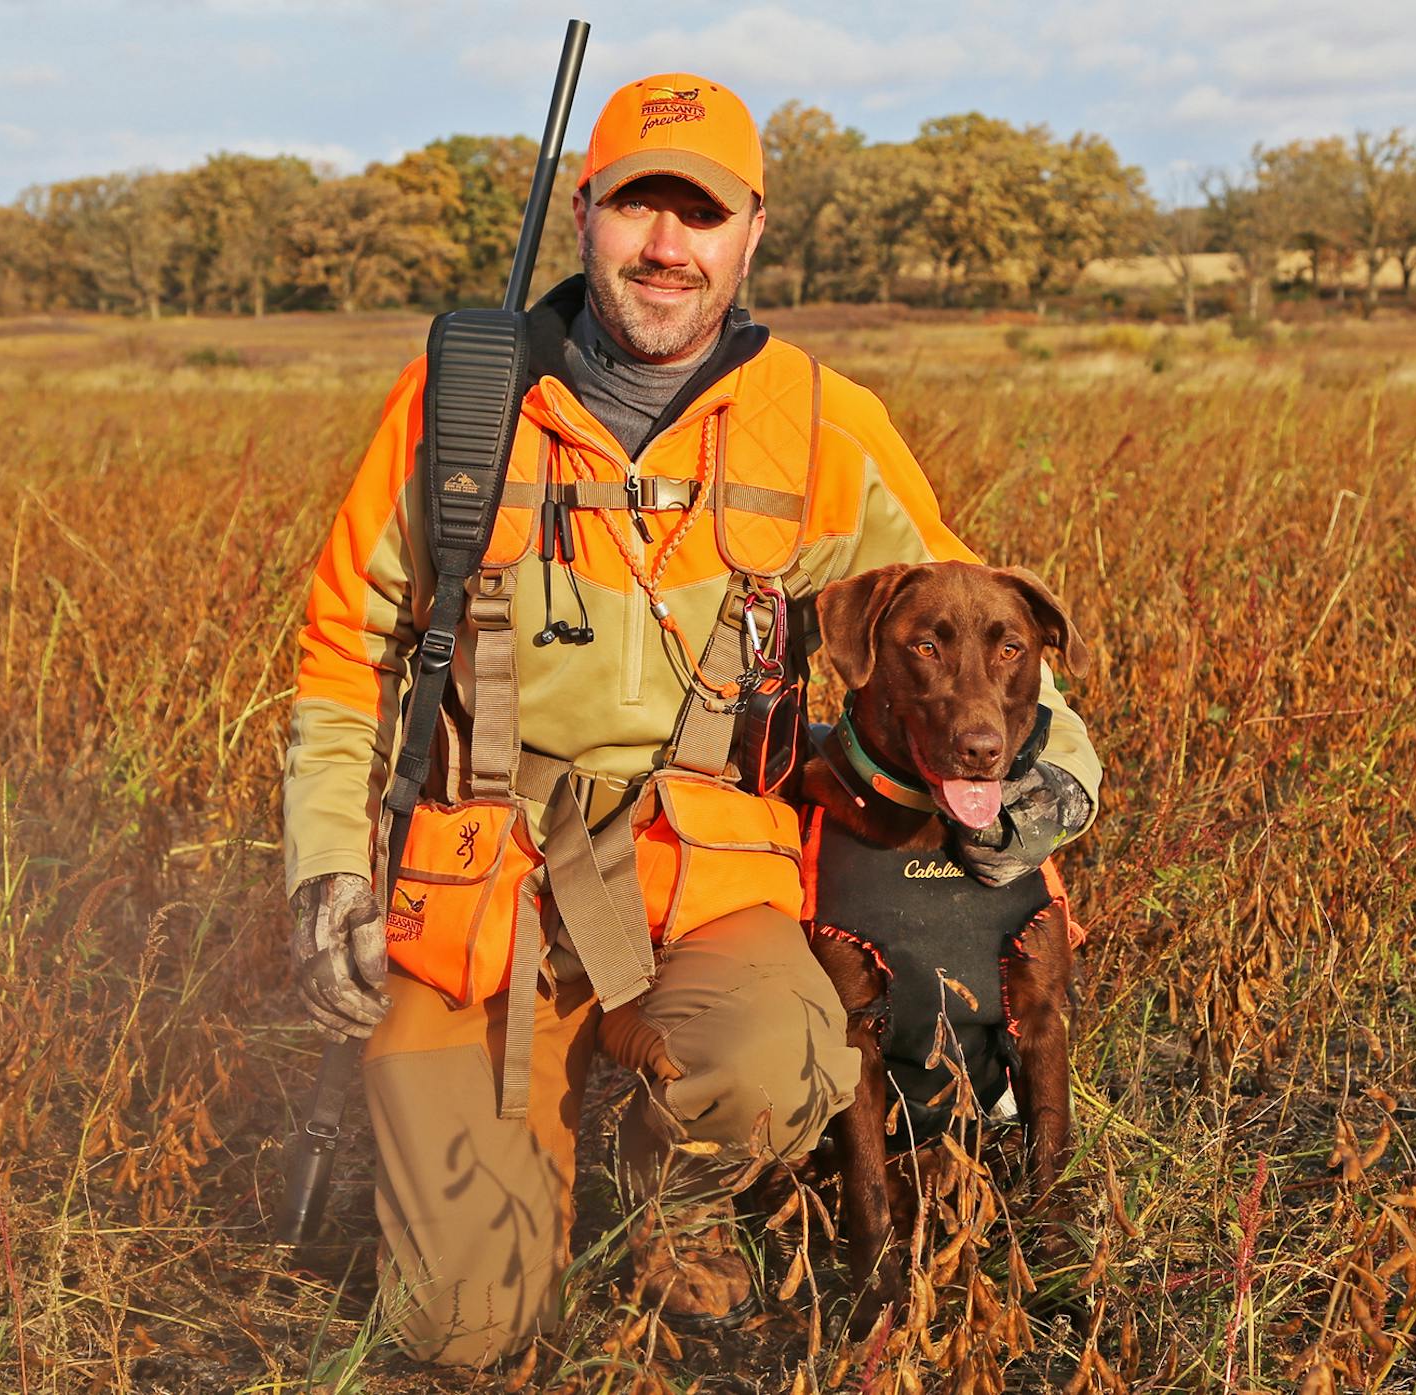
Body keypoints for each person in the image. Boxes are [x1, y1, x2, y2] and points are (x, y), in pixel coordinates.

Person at [282, 71, 1101, 1368]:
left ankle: (677, 1205)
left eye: (701, 214)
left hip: (703, 883)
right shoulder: (460, 408)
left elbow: (977, 627)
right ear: (586, 212)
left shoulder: (826, 424)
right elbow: (343, 653)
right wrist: (329, 865)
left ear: (752, 234)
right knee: (459, 1332)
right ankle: (524, 1150)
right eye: (638, 207)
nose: (668, 246)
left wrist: (1059, 782)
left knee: (789, 1053)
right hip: (486, 884)